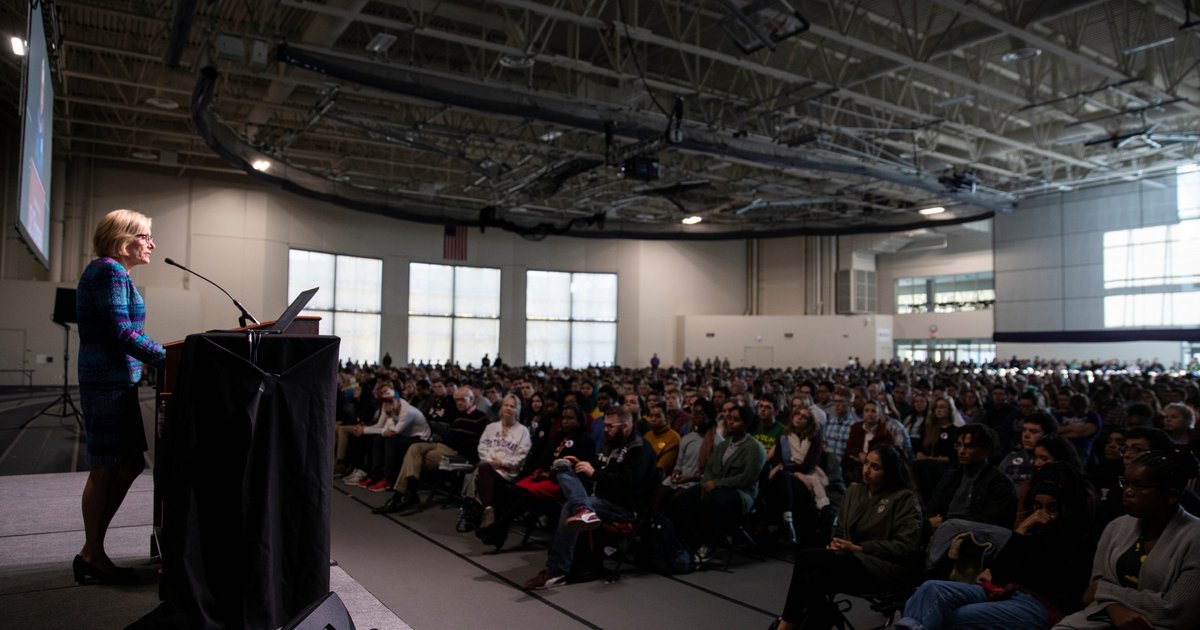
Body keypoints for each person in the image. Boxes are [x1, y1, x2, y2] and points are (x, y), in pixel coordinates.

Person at [74, 209, 167, 584]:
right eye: (145, 236)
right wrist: (171, 358)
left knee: (127, 464)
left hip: (115, 380)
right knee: (106, 467)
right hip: (107, 382)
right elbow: (122, 333)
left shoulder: (114, 273)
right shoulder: (109, 270)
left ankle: (92, 550)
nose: (152, 244)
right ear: (123, 237)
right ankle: (92, 553)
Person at [897, 463, 1094, 629]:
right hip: (1008, 592)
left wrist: (1024, 532)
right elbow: (1001, 572)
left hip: (1041, 605)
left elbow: (1057, 587)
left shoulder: (1080, 540)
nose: (1042, 515)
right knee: (931, 588)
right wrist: (1023, 529)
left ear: (1068, 508)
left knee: (960, 615)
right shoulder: (1035, 530)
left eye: (1051, 508)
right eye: (1038, 506)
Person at [770, 444, 924, 630]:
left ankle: (786, 625)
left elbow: (905, 547)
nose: (866, 470)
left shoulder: (905, 498)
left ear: (890, 472)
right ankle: (819, 621)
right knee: (814, 579)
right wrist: (836, 543)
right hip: (849, 559)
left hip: (883, 567)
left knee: (805, 557)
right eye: (866, 463)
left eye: (875, 467)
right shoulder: (854, 491)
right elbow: (840, 529)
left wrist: (858, 548)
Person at [1054, 450, 1200, 629]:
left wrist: (1105, 591)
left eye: (1139, 485)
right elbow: (1094, 587)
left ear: (1171, 495)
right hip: (1108, 617)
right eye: (1126, 482)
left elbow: (1178, 609)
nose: (1128, 491)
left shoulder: (1195, 536)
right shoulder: (1117, 526)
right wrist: (1115, 609)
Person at [522, 406, 656, 590]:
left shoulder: (638, 448)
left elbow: (627, 485)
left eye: (610, 426)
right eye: (605, 426)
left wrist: (593, 473)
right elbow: (603, 471)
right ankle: (584, 509)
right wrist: (582, 466)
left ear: (625, 425)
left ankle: (556, 571)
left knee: (570, 507)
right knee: (563, 468)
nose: (605, 430)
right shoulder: (613, 443)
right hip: (601, 495)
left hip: (624, 506)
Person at [668, 404, 766, 563]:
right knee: (683, 499)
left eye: (736, 420)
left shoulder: (754, 448)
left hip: (741, 493)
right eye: (729, 419)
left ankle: (708, 546)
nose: (730, 423)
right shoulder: (724, 444)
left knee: (712, 501)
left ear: (746, 424)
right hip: (715, 488)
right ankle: (689, 542)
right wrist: (706, 484)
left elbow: (746, 478)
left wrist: (717, 484)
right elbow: (710, 470)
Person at [765, 405, 828, 546]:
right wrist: (789, 470)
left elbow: (808, 465)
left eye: (804, 417)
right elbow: (778, 460)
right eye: (797, 414)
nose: (800, 418)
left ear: (809, 422)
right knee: (781, 478)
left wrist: (787, 469)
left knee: (781, 476)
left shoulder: (814, 439)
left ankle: (776, 525)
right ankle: (788, 524)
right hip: (788, 478)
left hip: (808, 478)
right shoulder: (783, 437)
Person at [474, 394, 531, 528]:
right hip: (489, 467)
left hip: (508, 472)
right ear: (501, 407)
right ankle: (489, 511)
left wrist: (502, 463)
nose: (508, 408)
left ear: (517, 410)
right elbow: (482, 447)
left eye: (512, 406)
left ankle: (487, 510)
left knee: (483, 469)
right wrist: (491, 461)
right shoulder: (491, 427)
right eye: (506, 405)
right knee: (483, 467)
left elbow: (521, 457)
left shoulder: (523, 431)